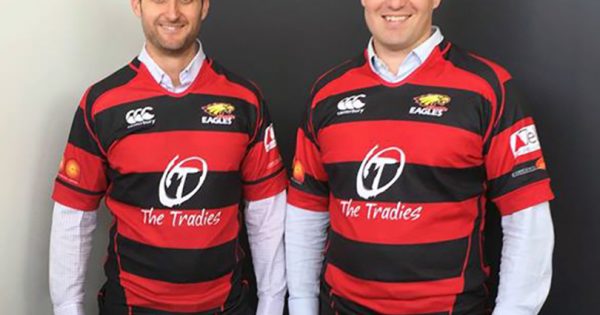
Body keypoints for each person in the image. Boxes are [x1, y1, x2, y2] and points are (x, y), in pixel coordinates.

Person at [285, 0, 555, 314]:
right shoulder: (327, 93)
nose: (396, 3)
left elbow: (526, 214)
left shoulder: (489, 87)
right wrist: (302, 305)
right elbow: (307, 210)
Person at [49, 0, 287, 314]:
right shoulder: (101, 103)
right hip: (132, 307)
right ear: (137, 5)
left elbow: (266, 213)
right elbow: (74, 216)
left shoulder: (245, 100)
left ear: (204, 6)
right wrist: (67, 307)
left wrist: (271, 303)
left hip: (226, 306)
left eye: (186, 0)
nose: (172, 12)